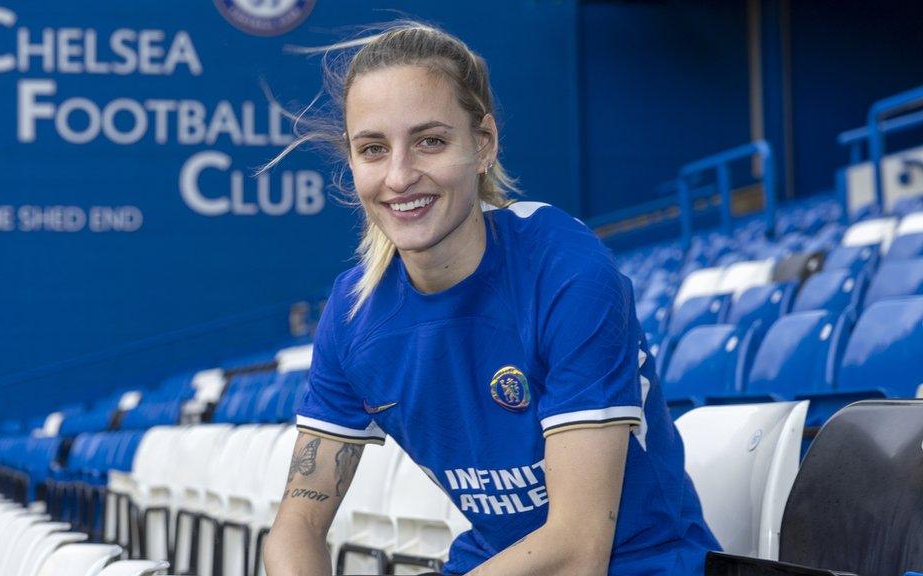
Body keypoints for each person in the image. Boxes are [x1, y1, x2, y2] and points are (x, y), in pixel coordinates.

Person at [262, 22, 720, 575]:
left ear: (482, 145)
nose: (400, 176)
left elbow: (577, 551)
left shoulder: (566, 270)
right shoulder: (354, 313)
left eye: (430, 141)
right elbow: (297, 527)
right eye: (373, 149)